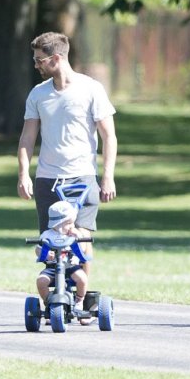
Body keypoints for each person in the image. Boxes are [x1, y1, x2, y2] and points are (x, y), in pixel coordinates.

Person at [17, 31, 118, 291]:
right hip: (48, 179)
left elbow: (109, 136)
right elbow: (27, 138)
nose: (36, 65)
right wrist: (24, 175)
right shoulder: (38, 94)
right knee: (50, 241)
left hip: (82, 176)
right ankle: (55, 295)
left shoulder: (91, 89)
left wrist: (107, 176)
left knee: (81, 239)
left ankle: (81, 295)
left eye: (40, 60)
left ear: (57, 58)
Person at [36, 201, 90, 320]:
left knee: (82, 278)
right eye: (68, 223)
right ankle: (49, 302)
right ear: (58, 224)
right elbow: (38, 249)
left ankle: (79, 300)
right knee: (41, 281)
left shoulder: (74, 234)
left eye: (72, 222)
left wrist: (79, 237)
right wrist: (45, 254)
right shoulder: (47, 235)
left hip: (70, 267)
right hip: (52, 268)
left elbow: (83, 249)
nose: (72, 226)